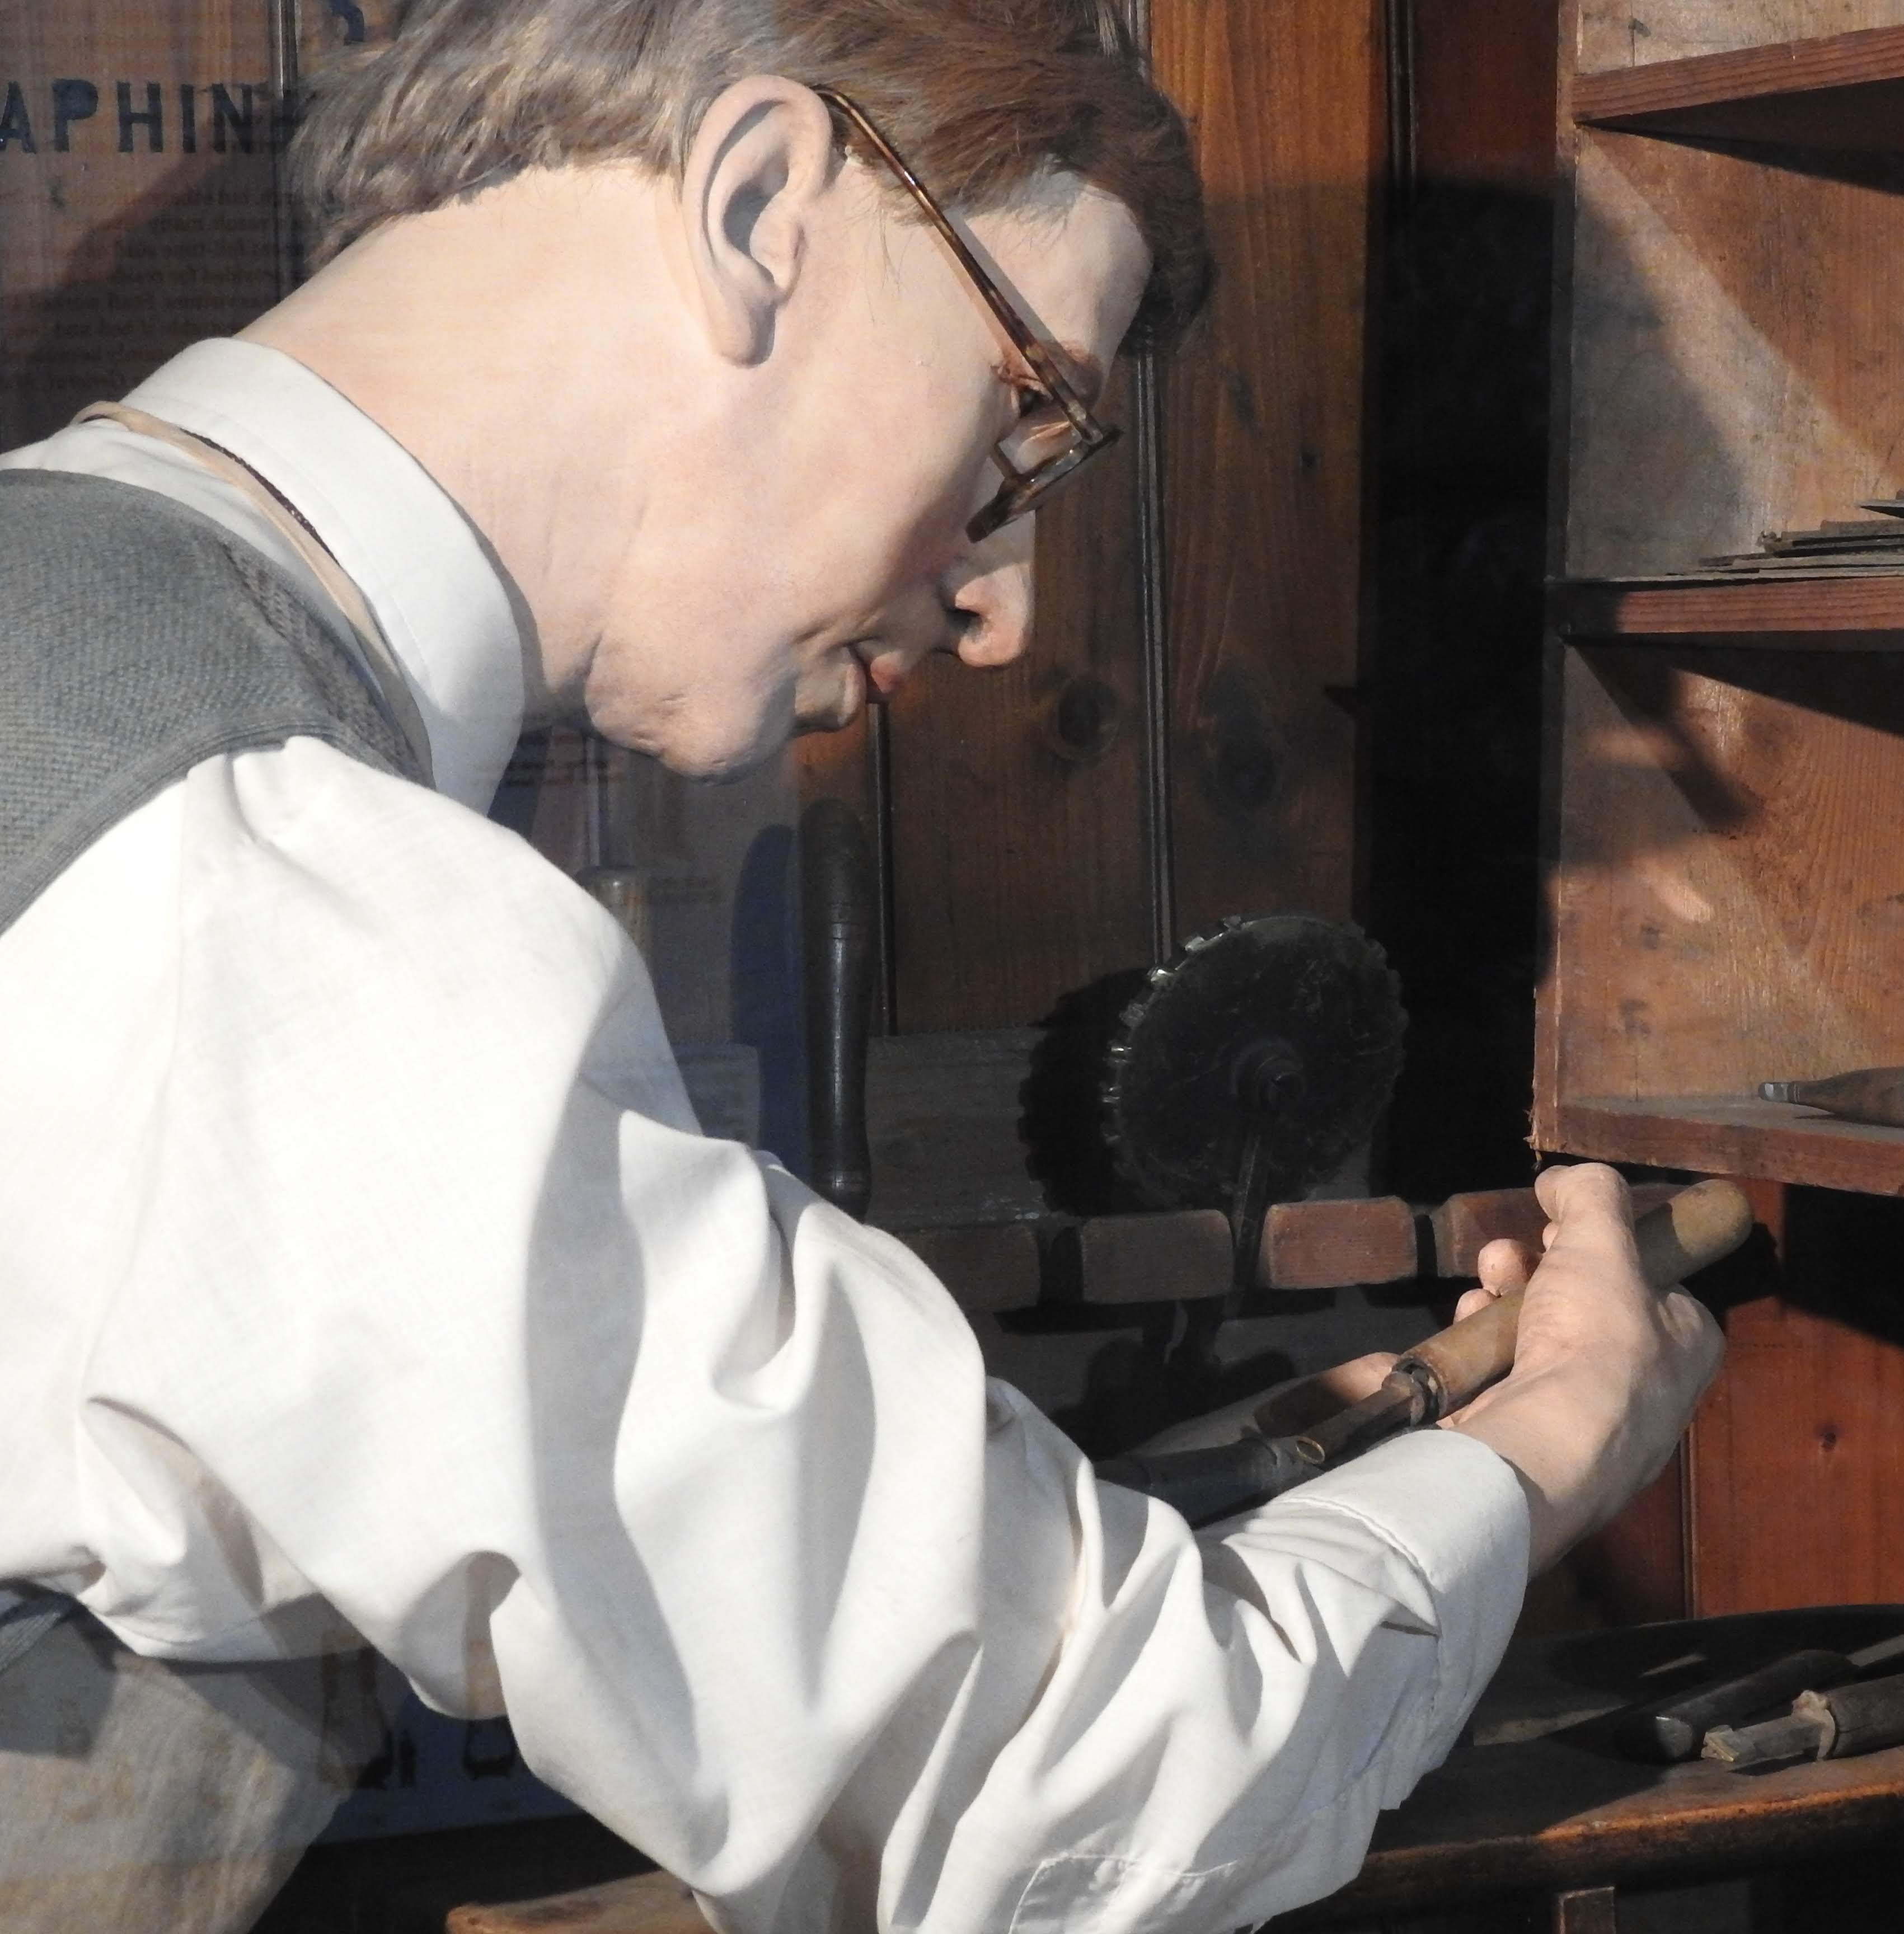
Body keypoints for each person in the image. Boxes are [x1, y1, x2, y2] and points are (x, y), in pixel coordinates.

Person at [0, 1, 1723, 1929]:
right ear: (759, 208)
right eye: (1024, 420)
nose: (1003, 609)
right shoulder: (259, 883)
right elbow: (1089, 1793)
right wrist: (1560, 1434)